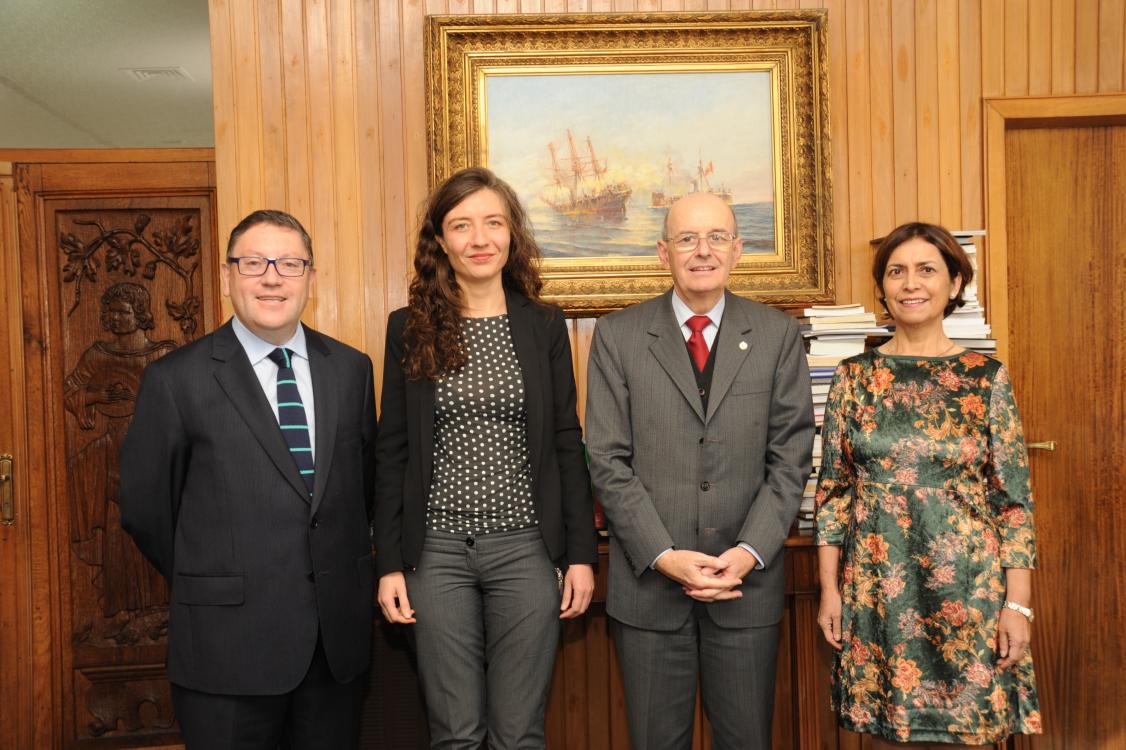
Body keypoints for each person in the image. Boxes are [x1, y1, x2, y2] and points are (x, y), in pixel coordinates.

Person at [119, 209, 378, 749]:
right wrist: (215, 577)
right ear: (227, 275)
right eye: (254, 262)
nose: (272, 276)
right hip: (225, 651)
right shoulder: (175, 379)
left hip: (333, 653)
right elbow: (147, 511)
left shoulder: (351, 370)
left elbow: (364, 491)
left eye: (289, 262)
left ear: (310, 276)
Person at [374, 166, 597, 749]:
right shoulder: (409, 328)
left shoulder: (543, 324)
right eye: (462, 225)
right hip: (436, 555)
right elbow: (392, 452)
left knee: (519, 733)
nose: (480, 238)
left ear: (512, 234)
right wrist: (389, 564)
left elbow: (565, 443)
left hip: (525, 550)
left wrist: (580, 556)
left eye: (493, 223)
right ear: (440, 240)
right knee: (455, 734)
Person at [585, 192, 814, 750]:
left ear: (738, 249)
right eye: (687, 239)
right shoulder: (617, 337)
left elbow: (790, 457)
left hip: (746, 586)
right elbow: (607, 460)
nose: (702, 251)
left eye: (716, 237)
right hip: (649, 591)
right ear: (664, 252)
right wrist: (664, 556)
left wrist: (747, 552)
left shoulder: (778, 336)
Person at [814, 222, 1041, 747]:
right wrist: (830, 591)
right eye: (897, 271)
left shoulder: (986, 378)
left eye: (926, 270)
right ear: (883, 286)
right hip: (877, 590)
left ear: (955, 284)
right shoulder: (852, 377)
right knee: (890, 734)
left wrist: (1018, 604)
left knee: (970, 733)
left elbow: (1013, 503)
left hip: (969, 591)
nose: (910, 284)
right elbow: (833, 495)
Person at [65, 282, 176, 617]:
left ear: (139, 314)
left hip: (155, 450)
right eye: (110, 312)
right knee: (116, 521)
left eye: (123, 312)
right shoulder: (98, 354)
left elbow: (185, 394)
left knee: (154, 517)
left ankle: (157, 607)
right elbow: (70, 390)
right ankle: (120, 607)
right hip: (114, 444)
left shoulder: (163, 353)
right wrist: (97, 394)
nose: (115, 318)